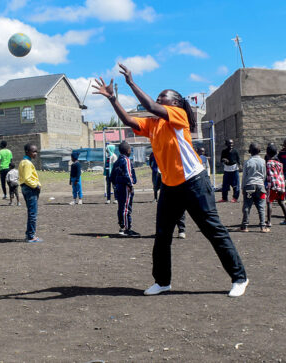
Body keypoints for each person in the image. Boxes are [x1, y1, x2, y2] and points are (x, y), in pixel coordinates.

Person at [93, 63, 248, 297]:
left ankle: (239, 278)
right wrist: (113, 99)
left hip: (194, 181)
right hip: (170, 186)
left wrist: (132, 83)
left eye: (162, 98)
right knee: (162, 235)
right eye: (158, 97)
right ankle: (162, 281)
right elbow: (131, 121)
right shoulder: (154, 124)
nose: (158, 100)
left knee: (213, 231)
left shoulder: (179, 115)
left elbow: (151, 106)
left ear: (174, 103)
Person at [150, 152, 186, 238]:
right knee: (164, 208)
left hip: (177, 181)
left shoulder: (177, 152)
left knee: (179, 206)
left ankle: (181, 230)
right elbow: (156, 168)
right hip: (165, 182)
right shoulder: (157, 154)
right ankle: (162, 231)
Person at [111, 141, 138, 236]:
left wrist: (116, 185)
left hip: (119, 187)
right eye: (130, 149)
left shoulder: (117, 161)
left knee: (121, 207)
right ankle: (126, 229)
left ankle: (122, 226)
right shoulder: (126, 160)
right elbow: (128, 174)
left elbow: (112, 176)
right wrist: (130, 185)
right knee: (126, 207)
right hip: (125, 187)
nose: (131, 150)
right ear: (127, 150)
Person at [240, 143, 268, 233]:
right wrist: (261, 183)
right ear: (260, 151)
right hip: (260, 186)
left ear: (249, 151)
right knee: (261, 206)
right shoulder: (263, 161)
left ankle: (245, 226)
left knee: (247, 206)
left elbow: (244, 176)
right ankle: (263, 227)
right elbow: (264, 175)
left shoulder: (247, 162)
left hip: (249, 186)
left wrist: (243, 187)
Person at [19, 143, 42, 243]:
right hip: (30, 188)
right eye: (33, 151)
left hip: (25, 188)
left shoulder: (23, 162)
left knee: (31, 212)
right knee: (33, 213)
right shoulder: (27, 163)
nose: (35, 153)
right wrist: (36, 186)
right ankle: (31, 236)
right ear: (27, 152)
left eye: (36, 151)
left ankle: (29, 234)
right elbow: (27, 178)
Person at [265, 144, 286, 227]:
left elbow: (267, 174)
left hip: (272, 185)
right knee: (281, 202)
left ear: (267, 153)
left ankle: (268, 221)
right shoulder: (280, 164)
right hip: (281, 185)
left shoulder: (268, 163)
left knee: (269, 202)